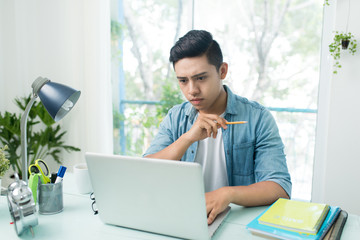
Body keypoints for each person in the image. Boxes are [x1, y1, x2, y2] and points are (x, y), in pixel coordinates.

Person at [144, 30, 291, 225]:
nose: (192, 90)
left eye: (201, 78)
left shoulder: (258, 118)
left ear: (222, 71)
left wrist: (227, 194)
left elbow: (279, 187)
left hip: (236, 222)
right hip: (183, 219)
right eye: (183, 80)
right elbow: (146, 171)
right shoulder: (176, 117)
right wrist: (187, 138)